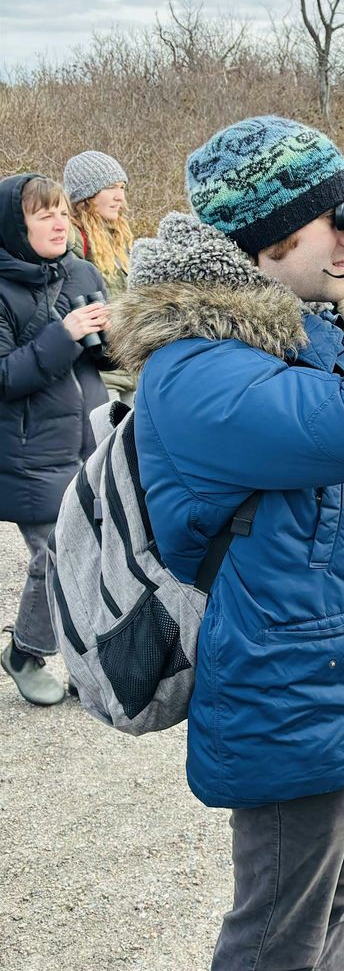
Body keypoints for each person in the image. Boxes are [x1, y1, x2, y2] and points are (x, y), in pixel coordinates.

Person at [106, 115, 344, 971]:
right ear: (265, 244)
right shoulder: (197, 370)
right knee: (278, 934)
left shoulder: (284, 328)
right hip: (291, 698)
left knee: (336, 903)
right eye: (331, 216)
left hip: (343, 679)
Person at [0, 174, 110, 707]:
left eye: (63, 211)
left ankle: (85, 660)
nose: (59, 222)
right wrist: (61, 336)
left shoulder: (81, 271)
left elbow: (105, 359)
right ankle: (25, 651)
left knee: (100, 550)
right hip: (30, 453)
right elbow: (3, 377)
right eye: (44, 215)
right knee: (58, 551)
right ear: (15, 227)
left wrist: (114, 336)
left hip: (90, 438)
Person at [64, 149, 136, 402]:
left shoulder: (120, 239)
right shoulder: (70, 239)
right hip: (98, 375)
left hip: (129, 366)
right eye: (111, 188)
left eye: (122, 188)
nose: (120, 197)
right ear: (86, 195)